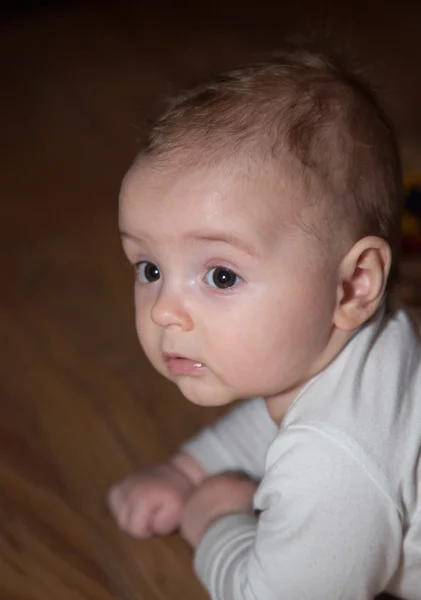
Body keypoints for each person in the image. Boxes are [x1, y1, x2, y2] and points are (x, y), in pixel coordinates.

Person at [107, 46, 421, 599]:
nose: (162, 310)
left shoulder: (332, 461)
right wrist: (186, 472)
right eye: (150, 268)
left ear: (354, 284)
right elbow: (271, 418)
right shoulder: (364, 347)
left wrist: (213, 520)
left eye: (221, 276)